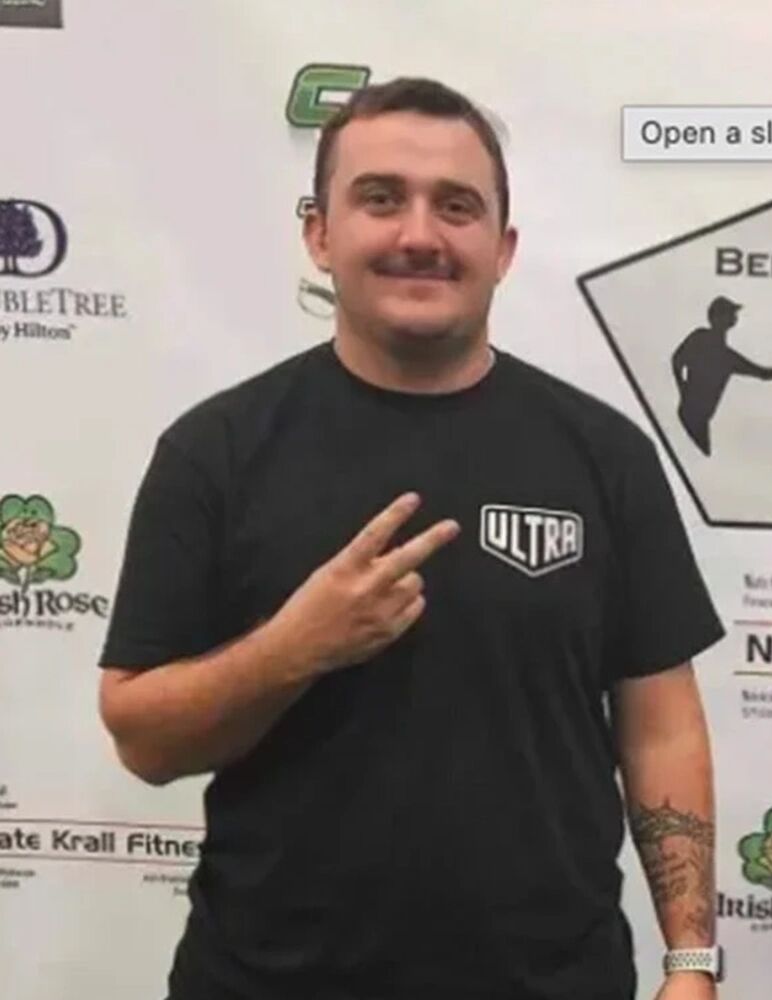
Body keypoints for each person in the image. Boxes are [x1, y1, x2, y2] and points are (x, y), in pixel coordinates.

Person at [98, 77, 725, 1000]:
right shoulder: (215, 452)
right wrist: (292, 648)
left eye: (457, 207)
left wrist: (692, 962)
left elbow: (661, 725)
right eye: (381, 199)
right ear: (320, 234)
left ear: (503, 248)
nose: (420, 235)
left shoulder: (604, 455)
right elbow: (143, 742)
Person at [672, 295, 772, 456]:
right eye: (729, 313)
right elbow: (677, 361)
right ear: (716, 318)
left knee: (702, 456)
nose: (733, 317)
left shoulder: (728, 358)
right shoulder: (700, 338)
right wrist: (683, 391)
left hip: (702, 419)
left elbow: (764, 374)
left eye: (733, 314)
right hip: (690, 415)